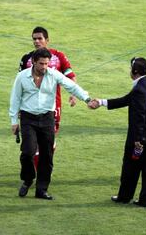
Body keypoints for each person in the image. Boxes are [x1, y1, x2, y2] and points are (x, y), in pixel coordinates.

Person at [10, 48, 90, 200]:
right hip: (28, 119)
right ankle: (28, 179)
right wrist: (14, 121)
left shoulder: (53, 74)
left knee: (47, 155)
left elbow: (71, 86)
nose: (44, 67)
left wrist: (86, 98)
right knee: (27, 152)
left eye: (47, 64)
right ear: (33, 62)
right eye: (41, 64)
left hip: (47, 118)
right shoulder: (21, 77)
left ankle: (42, 189)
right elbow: (15, 99)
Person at [89, 57, 146, 207]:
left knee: (130, 167)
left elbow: (139, 117)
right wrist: (102, 102)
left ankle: (124, 196)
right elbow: (126, 100)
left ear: (134, 71)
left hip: (142, 138)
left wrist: (138, 140)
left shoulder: (140, 89)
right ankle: (144, 200)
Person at [19, 26, 77, 167]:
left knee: (48, 141)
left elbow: (70, 76)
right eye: (34, 39)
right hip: (29, 107)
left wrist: (73, 94)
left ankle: (41, 168)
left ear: (47, 40)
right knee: (34, 145)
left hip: (52, 106)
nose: (37, 41)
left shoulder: (58, 57)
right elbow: (20, 84)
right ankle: (39, 171)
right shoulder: (26, 59)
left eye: (40, 39)